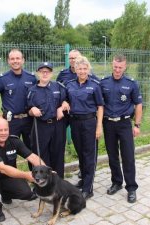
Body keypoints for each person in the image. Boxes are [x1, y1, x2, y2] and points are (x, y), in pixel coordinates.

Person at [0, 118, 45, 222]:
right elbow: (3, 169)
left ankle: (6, 194)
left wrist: (46, 171)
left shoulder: (14, 140)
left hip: (8, 177)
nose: (4, 133)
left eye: (6, 129)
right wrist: (27, 175)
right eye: (0, 130)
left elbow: (32, 157)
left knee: (27, 193)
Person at [100, 54, 142, 203]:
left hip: (124, 124)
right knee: (112, 156)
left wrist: (137, 125)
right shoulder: (103, 82)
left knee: (128, 156)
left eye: (120, 67)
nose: (117, 70)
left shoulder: (132, 84)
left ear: (125, 67)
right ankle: (116, 182)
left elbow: (138, 105)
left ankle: (131, 188)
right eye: (115, 67)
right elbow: (99, 104)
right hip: (108, 124)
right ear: (112, 65)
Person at [65, 56, 104, 200]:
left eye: (84, 68)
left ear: (88, 69)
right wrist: (63, 102)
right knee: (80, 153)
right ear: (75, 69)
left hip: (89, 123)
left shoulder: (94, 85)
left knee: (89, 155)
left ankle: (88, 188)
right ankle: (83, 181)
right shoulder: (69, 84)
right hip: (75, 123)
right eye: (79, 68)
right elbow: (65, 99)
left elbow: (100, 106)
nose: (82, 71)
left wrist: (99, 126)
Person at [57, 49, 99, 179]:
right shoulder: (63, 75)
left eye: (75, 58)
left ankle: (88, 174)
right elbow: (58, 91)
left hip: (86, 116)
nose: (73, 60)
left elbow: (99, 98)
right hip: (70, 115)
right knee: (78, 146)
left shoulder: (92, 78)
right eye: (71, 58)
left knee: (89, 148)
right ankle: (82, 169)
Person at [0, 48, 37, 150]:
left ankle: (34, 167)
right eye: (12, 59)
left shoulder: (31, 78)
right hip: (11, 121)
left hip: (29, 120)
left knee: (32, 150)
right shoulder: (2, 79)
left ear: (23, 60)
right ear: (8, 61)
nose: (15, 61)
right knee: (10, 151)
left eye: (18, 58)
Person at [27, 62, 69, 178]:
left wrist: (62, 107)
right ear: (38, 73)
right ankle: (43, 183)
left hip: (57, 125)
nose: (45, 74)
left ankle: (58, 182)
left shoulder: (58, 87)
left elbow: (67, 100)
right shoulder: (32, 90)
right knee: (42, 155)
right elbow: (28, 110)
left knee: (58, 154)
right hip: (41, 126)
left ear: (51, 73)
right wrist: (32, 109)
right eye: (42, 71)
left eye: (47, 71)